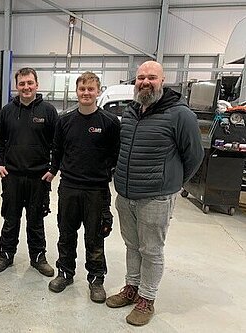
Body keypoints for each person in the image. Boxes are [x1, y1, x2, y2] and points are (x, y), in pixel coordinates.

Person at [106, 61, 204, 326]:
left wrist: (172, 184)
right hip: (126, 194)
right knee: (131, 245)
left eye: (151, 77)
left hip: (156, 197)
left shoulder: (179, 114)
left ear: (163, 81)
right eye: (140, 78)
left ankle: (147, 299)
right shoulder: (131, 111)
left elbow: (195, 155)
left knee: (151, 250)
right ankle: (132, 288)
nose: (145, 82)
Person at [47, 72, 120, 302]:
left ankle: (96, 279)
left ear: (98, 91)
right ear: (76, 92)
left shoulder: (109, 122)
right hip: (69, 187)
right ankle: (65, 273)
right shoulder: (65, 120)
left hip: (96, 190)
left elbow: (115, 154)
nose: (86, 93)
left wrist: (101, 172)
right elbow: (57, 150)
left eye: (90, 89)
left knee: (95, 236)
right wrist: (53, 170)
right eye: (82, 89)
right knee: (66, 234)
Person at [0, 67, 58, 276]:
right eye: (22, 84)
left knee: (36, 219)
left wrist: (53, 169)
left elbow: (57, 143)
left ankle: (38, 257)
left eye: (30, 83)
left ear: (37, 85)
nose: (26, 87)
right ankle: (6, 255)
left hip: (39, 177)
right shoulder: (7, 111)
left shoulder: (48, 111)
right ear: (16, 86)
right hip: (12, 175)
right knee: (10, 218)